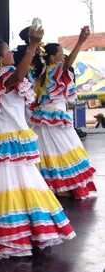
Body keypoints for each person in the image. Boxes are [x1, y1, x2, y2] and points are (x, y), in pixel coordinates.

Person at [0, 28, 76, 258]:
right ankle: (14, 233)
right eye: (7, 51)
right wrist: (33, 46)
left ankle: (8, 231)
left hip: (0, 139)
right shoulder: (3, 77)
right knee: (16, 186)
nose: (11, 53)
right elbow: (19, 77)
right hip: (8, 140)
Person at [31, 26, 96, 199]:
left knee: (52, 154)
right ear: (52, 57)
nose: (63, 55)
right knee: (65, 151)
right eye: (61, 52)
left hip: (46, 119)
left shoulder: (43, 73)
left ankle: (57, 187)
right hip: (55, 119)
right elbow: (68, 63)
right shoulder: (54, 69)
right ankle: (65, 187)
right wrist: (81, 41)